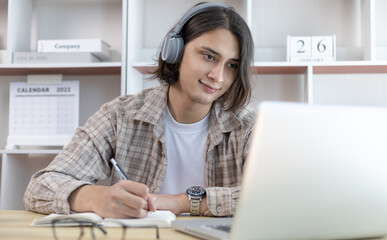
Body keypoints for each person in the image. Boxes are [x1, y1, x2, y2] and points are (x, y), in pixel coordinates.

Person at [24, 2, 255, 218]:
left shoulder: (250, 126)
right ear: (175, 50)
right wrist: (96, 198)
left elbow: (277, 196)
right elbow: (39, 187)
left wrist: (183, 202)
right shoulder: (120, 115)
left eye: (232, 65)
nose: (218, 76)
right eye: (208, 56)